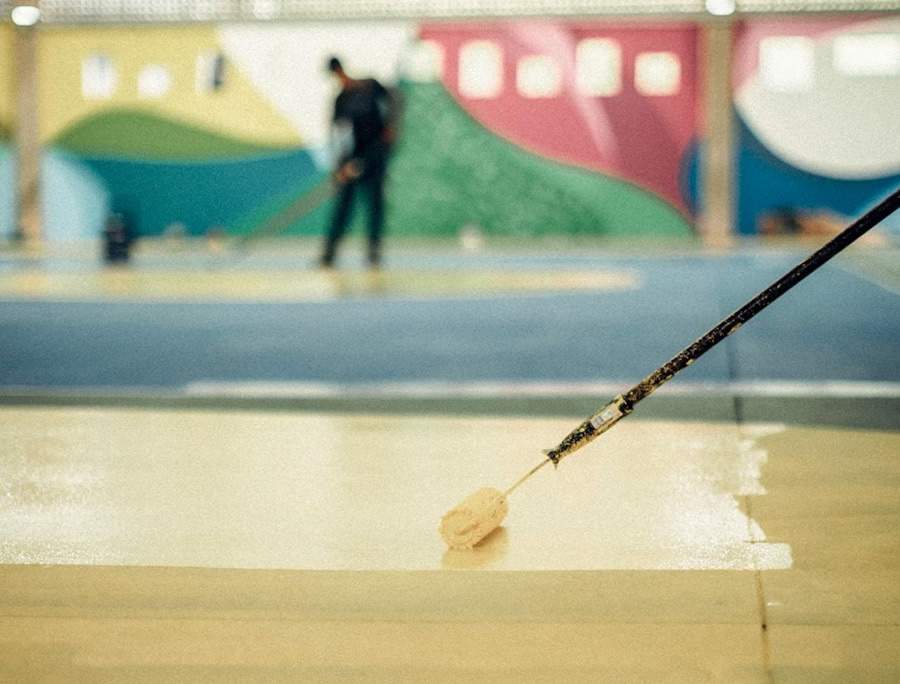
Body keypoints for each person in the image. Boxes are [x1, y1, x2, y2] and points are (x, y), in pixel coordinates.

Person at [319, 56, 398, 269]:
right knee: (343, 207)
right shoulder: (341, 100)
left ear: (342, 70)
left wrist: (392, 125)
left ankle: (373, 253)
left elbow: (394, 98)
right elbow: (338, 134)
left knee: (374, 205)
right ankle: (329, 253)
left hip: (375, 155)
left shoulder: (369, 86)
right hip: (353, 158)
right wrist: (341, 166)